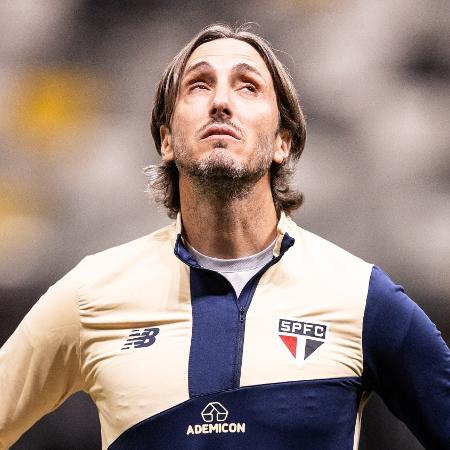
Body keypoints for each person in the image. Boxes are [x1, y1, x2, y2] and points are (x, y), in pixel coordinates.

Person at [0, 23, 449, 450]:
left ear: (283, 142)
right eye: (198, 85)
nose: (220, 102)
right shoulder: (91, 292)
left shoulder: (359, 294)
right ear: (167, 140)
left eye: (248, 86)